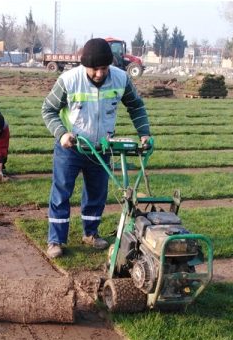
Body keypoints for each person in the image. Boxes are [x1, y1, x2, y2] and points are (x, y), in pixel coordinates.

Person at [41, 38, 151, 259]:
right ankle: (56, 240)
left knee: (97, 193)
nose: (100, 73)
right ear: (84, 66)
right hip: (71, 147)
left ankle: (90, 233)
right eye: (95, 69)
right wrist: (62, 134)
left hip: (102, 148)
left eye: (104, 68)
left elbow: (136, 105)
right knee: (62, 193)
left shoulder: (121, 79)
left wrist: (144, 133)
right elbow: (48, 110)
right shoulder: (69, 80)